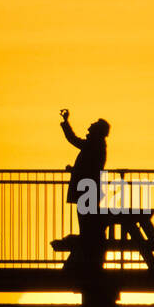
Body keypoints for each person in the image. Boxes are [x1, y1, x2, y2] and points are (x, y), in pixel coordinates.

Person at [59, 108, 110, 269]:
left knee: (88, 226)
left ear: (98, 130)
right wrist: (74, 170)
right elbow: (90, 166)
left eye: (93, 125)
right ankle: (90, 261)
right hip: (89, 190)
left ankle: (90, 262)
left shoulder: (94, 143)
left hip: (86, 191)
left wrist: (66, 123)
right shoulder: (96, 144)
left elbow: (74, 140)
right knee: (89, 225)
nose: (89, 126)